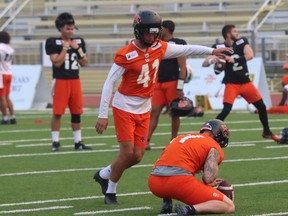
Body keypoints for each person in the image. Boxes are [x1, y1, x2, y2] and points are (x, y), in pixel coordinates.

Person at [93, 9, 233, 205]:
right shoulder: (126, 54)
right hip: (124, 106)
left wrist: (212, 51)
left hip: (143, 107)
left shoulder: (159, 47)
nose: (152, 36)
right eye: (148, 32)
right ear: (138, 31)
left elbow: (186, 50)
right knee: (127, 152)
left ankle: (104, 173)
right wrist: (102, 114)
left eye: (154, 32)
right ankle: (110, 191)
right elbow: (109, 83)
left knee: (137, 156)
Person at [202, 24, 279, 142]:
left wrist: (234, 59)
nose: (237, 33)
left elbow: (250, 55)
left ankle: (267, 131)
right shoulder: (219, 47)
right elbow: (205, 62)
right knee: (226, 110)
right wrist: (214, 59)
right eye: (234, 31)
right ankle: (208, 134)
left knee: (261, 107)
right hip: (232, 84)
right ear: (228, 34)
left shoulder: (241, 42)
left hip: (245, 82)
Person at [148, 119, 235, 215]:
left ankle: (167, 202)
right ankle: (189, 210)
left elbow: (168, 161)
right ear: (218, 133)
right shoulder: (213, 145)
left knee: (174, 167)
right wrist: (211, 182)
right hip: (178, 183)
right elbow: (208, 178)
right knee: (229, 206)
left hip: (154, 183)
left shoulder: (181, 137)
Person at [45, 12, 91, 151]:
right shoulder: (53, 42)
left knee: (76, 112)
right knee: (58, 112)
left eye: (72, 28)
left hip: (75, 80)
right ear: (60, 28)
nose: (70, 31)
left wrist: (78, 50)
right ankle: (55, 142)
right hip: (60, 80)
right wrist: (65, 48)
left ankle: (78, 142)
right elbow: (57, 63)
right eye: (67, 28)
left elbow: (84, 62)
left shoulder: (79, 42)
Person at [146, 20, 187, 150]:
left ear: (167, 29)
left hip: (172, 83)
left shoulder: (178, 44)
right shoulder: (156, 43)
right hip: (158, 82)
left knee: (175, 113)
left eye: (161, 28)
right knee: (154, 112)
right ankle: (145, 141)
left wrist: (180, 86)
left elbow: (183, 67)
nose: (159, 31)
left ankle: (173, 141)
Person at [0, 31, 16, 125]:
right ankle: (12, 117)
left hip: (1, 73)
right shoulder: (10, 48)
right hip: (9, 73)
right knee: (7, 96)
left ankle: (5, 118)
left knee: (1, 97)